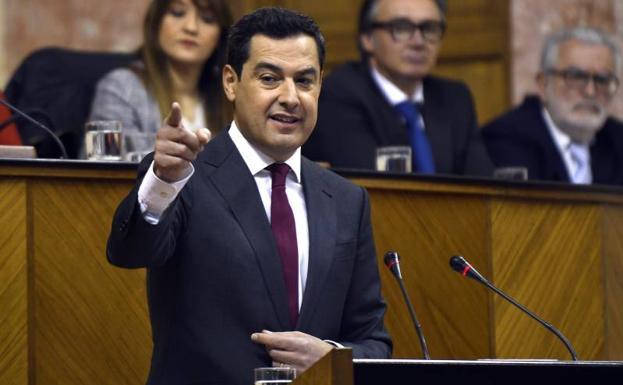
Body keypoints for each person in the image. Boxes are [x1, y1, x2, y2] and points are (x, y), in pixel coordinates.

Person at [106, 7, 392, 385]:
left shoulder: (347, 200)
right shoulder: (183, 175)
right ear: (231, 82)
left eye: (305, 81)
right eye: (270, 78)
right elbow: (129, 252)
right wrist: (162, 182)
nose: (290, 97)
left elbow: (374, 341)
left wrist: (332, 356)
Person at [303, 0, 492, 176]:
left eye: (429, 29)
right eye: (401, 28)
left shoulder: (455, 98)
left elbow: (483, 187)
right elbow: (373, 185)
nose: (418, 42)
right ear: (367, 38)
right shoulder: (338, 94)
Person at [482, 27, 623, 185]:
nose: (590, 91)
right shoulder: (504, 139)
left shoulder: (618, 139)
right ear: (543, 84)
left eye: (602, 80)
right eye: (575, 77)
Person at [89, 0, 232, 138]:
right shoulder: (121, 88)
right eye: (178, 13)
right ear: (156, 23)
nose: (191, 27)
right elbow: (104, 160)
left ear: (221, 36)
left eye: (207, 19)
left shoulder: (230, 95)